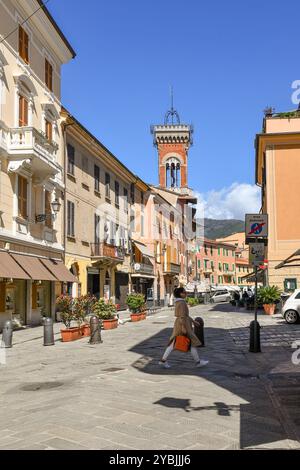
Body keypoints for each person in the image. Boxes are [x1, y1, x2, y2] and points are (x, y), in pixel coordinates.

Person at [159, 287, 209, 369]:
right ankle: (198, 362)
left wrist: (193, 321)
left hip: (182, 323)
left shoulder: (179, 302)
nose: (186, 293)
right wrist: (183, 327)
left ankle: (163, 360)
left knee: (176, 343)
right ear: (181, 294)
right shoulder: (182, 303)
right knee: (190, 342)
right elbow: (182, 316)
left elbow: (185, 315)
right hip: (183, 324)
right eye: (184, 292)